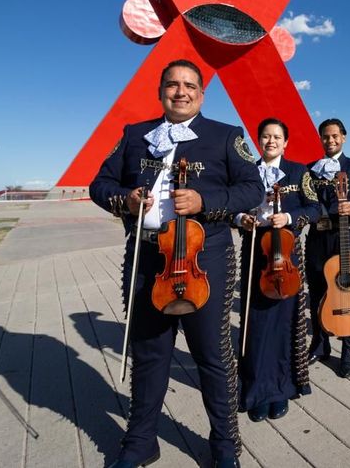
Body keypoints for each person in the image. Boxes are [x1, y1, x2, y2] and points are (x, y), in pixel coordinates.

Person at [90, 59, 263, 468]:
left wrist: (207, 202)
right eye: (172, 85)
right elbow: (101, 184)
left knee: (212, 355)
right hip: (148, 259)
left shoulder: (225, 136)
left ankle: (224, 445)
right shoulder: (134, 136)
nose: (180, 92)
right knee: (149, 354)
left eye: (189, 85)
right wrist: (127, 200)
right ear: (160, 91)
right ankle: (140, 442)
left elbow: (252, 187)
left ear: (202, 94)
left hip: (206, 261)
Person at [235, 118, 319, 423]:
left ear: (286, 143)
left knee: (285, 322)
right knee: (254, 323)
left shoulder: (299, 171)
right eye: (266, 136)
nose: (271, 141)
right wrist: (242, 218)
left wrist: (291, 217)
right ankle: (256, 390)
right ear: (259, 141)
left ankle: (282, 389)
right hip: (255, 250)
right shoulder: (245, 172)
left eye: (277, 137)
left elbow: (315, 208)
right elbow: (233, 207)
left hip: (286, 253)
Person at [305, 118, 350, 378]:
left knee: (349, 293)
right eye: (325, 136)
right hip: (316, 239)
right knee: (317, 294)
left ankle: (349, 352)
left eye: (335, 136)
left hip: (345, 237)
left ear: (344, 138)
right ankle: (320, 345)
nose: (330, 140)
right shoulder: (310, 169)